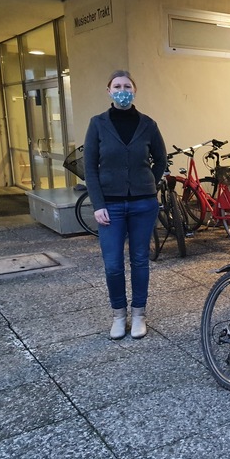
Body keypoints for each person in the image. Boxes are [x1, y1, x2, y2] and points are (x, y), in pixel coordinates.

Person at [83, 70, 167, 340]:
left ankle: (139, 314)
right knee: (113, 265)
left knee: (140, 260)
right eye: (117, 86)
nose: (122, 90)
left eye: (127, 86)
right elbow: (90, 168)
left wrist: (149, 186)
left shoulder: (148, 124)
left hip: (143, 204)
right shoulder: (97, 124)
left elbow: (161, 159)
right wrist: (98, 203)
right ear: (108, 91)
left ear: (134, 90)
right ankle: (119, 316)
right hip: (110, 206)